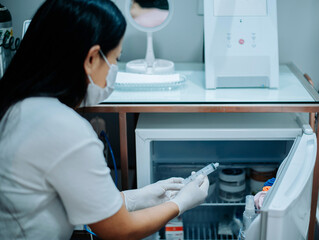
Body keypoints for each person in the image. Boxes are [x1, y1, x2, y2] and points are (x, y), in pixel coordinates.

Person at [0, 0, 209, 239]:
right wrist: (180, 203)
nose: (114, 68)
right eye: (116, 58)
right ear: (91, 60)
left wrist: (137, 197)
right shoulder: (63, 128)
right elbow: (119, 229)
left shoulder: (19, 105)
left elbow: (73, 191)